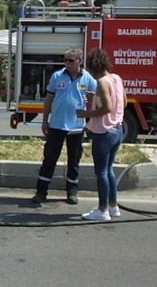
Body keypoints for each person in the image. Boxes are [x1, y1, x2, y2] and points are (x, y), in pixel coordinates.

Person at [31, 47, 97, 205]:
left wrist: (91, 121)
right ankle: (41, 192)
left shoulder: (87, 78)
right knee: (49, 159)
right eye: (65, 59)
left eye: (71, 60)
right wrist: (45, 120)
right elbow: (48, 100)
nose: (67, 63)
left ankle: (72, 191)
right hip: (57, 125)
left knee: (74, 161)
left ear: (80, 61)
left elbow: (95, 99)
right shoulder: (57, 76)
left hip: (76, 128)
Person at [77, 48, 126, 221]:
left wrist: (86, 115)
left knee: (101, 172)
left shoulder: (102, 82)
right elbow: (123, 103)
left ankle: (102, 210)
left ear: (93, 66)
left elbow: (107, 108)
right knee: (109, 169)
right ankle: (113, 206)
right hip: (117, 130)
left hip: (104, 132)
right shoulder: (117, 79)